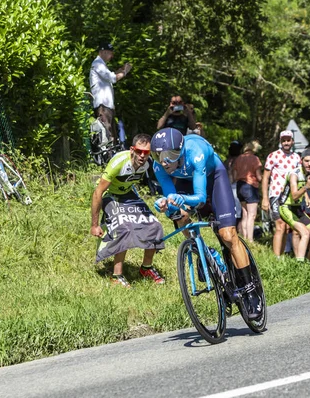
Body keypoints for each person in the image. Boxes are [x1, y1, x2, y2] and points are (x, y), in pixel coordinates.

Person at [151, 128, 262, 319]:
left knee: (227, 234)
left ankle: (250, 290)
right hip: (187, 181)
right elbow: (171, 199)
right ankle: (202, 250)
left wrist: (178, 198)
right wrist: (165, 204)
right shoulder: (158, 166)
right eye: (158, 155)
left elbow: (201, 198)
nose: (163, 161)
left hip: (213, 177)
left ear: (180, 150)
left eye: (169, 155)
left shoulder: (196, 152)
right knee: (180, 214)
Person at [90, 134, 165, 287]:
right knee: (124, 228)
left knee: (155, 225)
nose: (143, 156)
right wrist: (94, 224)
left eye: (146, 152)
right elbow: (98, 192)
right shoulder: (119, 162)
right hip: (110, 194)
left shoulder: (148, 163)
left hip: (128, 194)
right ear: (132, 150)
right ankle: (116, 276)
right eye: (139, 151)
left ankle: (146, 268)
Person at [278, 149, 310, 262]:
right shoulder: (294, 174)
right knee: (305, 233)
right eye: (306, 161)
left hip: (298, 209)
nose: (309, 164)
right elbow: (294, 196)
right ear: (301, 161)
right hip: (286, 207)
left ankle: (308, 265)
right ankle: (300, 266)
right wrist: (306, 187)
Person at [261, 130, 301, 257]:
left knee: (288, 228)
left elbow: (300, 178)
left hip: (291, 196)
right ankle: (276, 258)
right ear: (280, 141)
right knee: (280, 225)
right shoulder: (273, 156)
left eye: (288, 140)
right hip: (276, 194)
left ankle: (283, 255)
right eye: (284, 140)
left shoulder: (296, 158)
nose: (286, 143)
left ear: (292, 141)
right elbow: (265, 177)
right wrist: (265, 198)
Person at [89, 41, 132, 141]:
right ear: (103, 52)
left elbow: (110, 75)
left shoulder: (101, 65)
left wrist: (121, 69)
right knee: (107, 137)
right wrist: (125, 72)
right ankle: (107, 156)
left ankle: (110, 155)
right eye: (110, 53)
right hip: (103, 107)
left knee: (112, 136)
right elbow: (113, 78)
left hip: (107, 107)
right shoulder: (97, 64)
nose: (112, 56)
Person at [233, 140, 263, 242]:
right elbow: (259, 177)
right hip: (251, 187)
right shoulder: (255, 159)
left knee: (245, 214)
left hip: (240, 186)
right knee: (252, 215)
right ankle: (250, 240)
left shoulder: (239, 158)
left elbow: (235, 176)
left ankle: (244, 237)